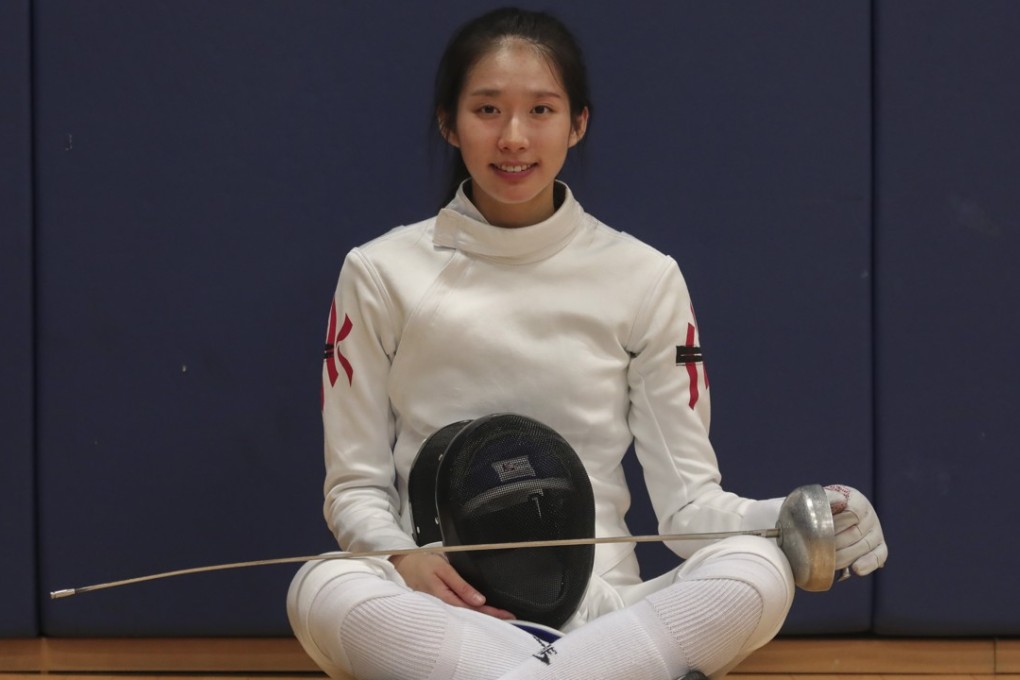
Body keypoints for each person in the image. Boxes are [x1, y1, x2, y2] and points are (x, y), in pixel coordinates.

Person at [288, 7, 888, 680]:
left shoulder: (643, 276)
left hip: (604, 608)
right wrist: (401, 558)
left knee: (756, 572)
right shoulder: (379, 272)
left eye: (540, 110)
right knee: (323, 587)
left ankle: (526, 671)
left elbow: (689, 507)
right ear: (448, 123)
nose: (514, 136)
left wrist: (798, 516)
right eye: (487, 109)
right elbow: (355, 489)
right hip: (443, 606)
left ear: (577, 123)